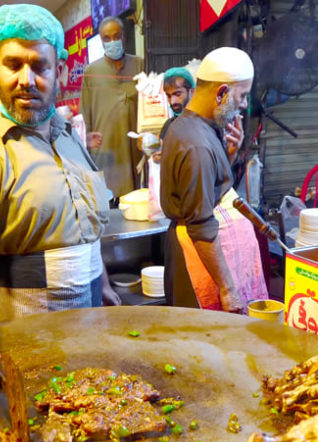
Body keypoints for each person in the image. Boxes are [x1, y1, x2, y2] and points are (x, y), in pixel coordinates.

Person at [0, 4, 120, 381]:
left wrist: (101, 284)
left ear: (60, 73)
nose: (26, 79)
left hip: (86, 311)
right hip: (22, 320)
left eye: (39, 66)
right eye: (13, 64)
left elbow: (83, 222)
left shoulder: (67, 134)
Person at [159, 47, 267, 314]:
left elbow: (207, 186)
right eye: (241, 96)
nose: (244, 104)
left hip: (199, 248)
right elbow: (200, 223)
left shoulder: (196, 126)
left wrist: (231, 153)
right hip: (196, 256)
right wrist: (228, 288)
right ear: (221, 92)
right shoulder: (196, 144)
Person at [81, 16, 144, 198]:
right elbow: (85, 114)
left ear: (124, 37)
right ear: (101, 41)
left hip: (135, 148)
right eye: (106, 38)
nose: (112, 42)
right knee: (109, 199)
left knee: (137, 196)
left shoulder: (139, 64)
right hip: (106, 149)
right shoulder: (91, 72)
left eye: (116, 36)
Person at [159, 66, 195, 140]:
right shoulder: (169, 126)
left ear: (191, 92)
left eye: (177, 94)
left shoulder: (205, 124)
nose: (172, 102)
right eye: (168, 96)